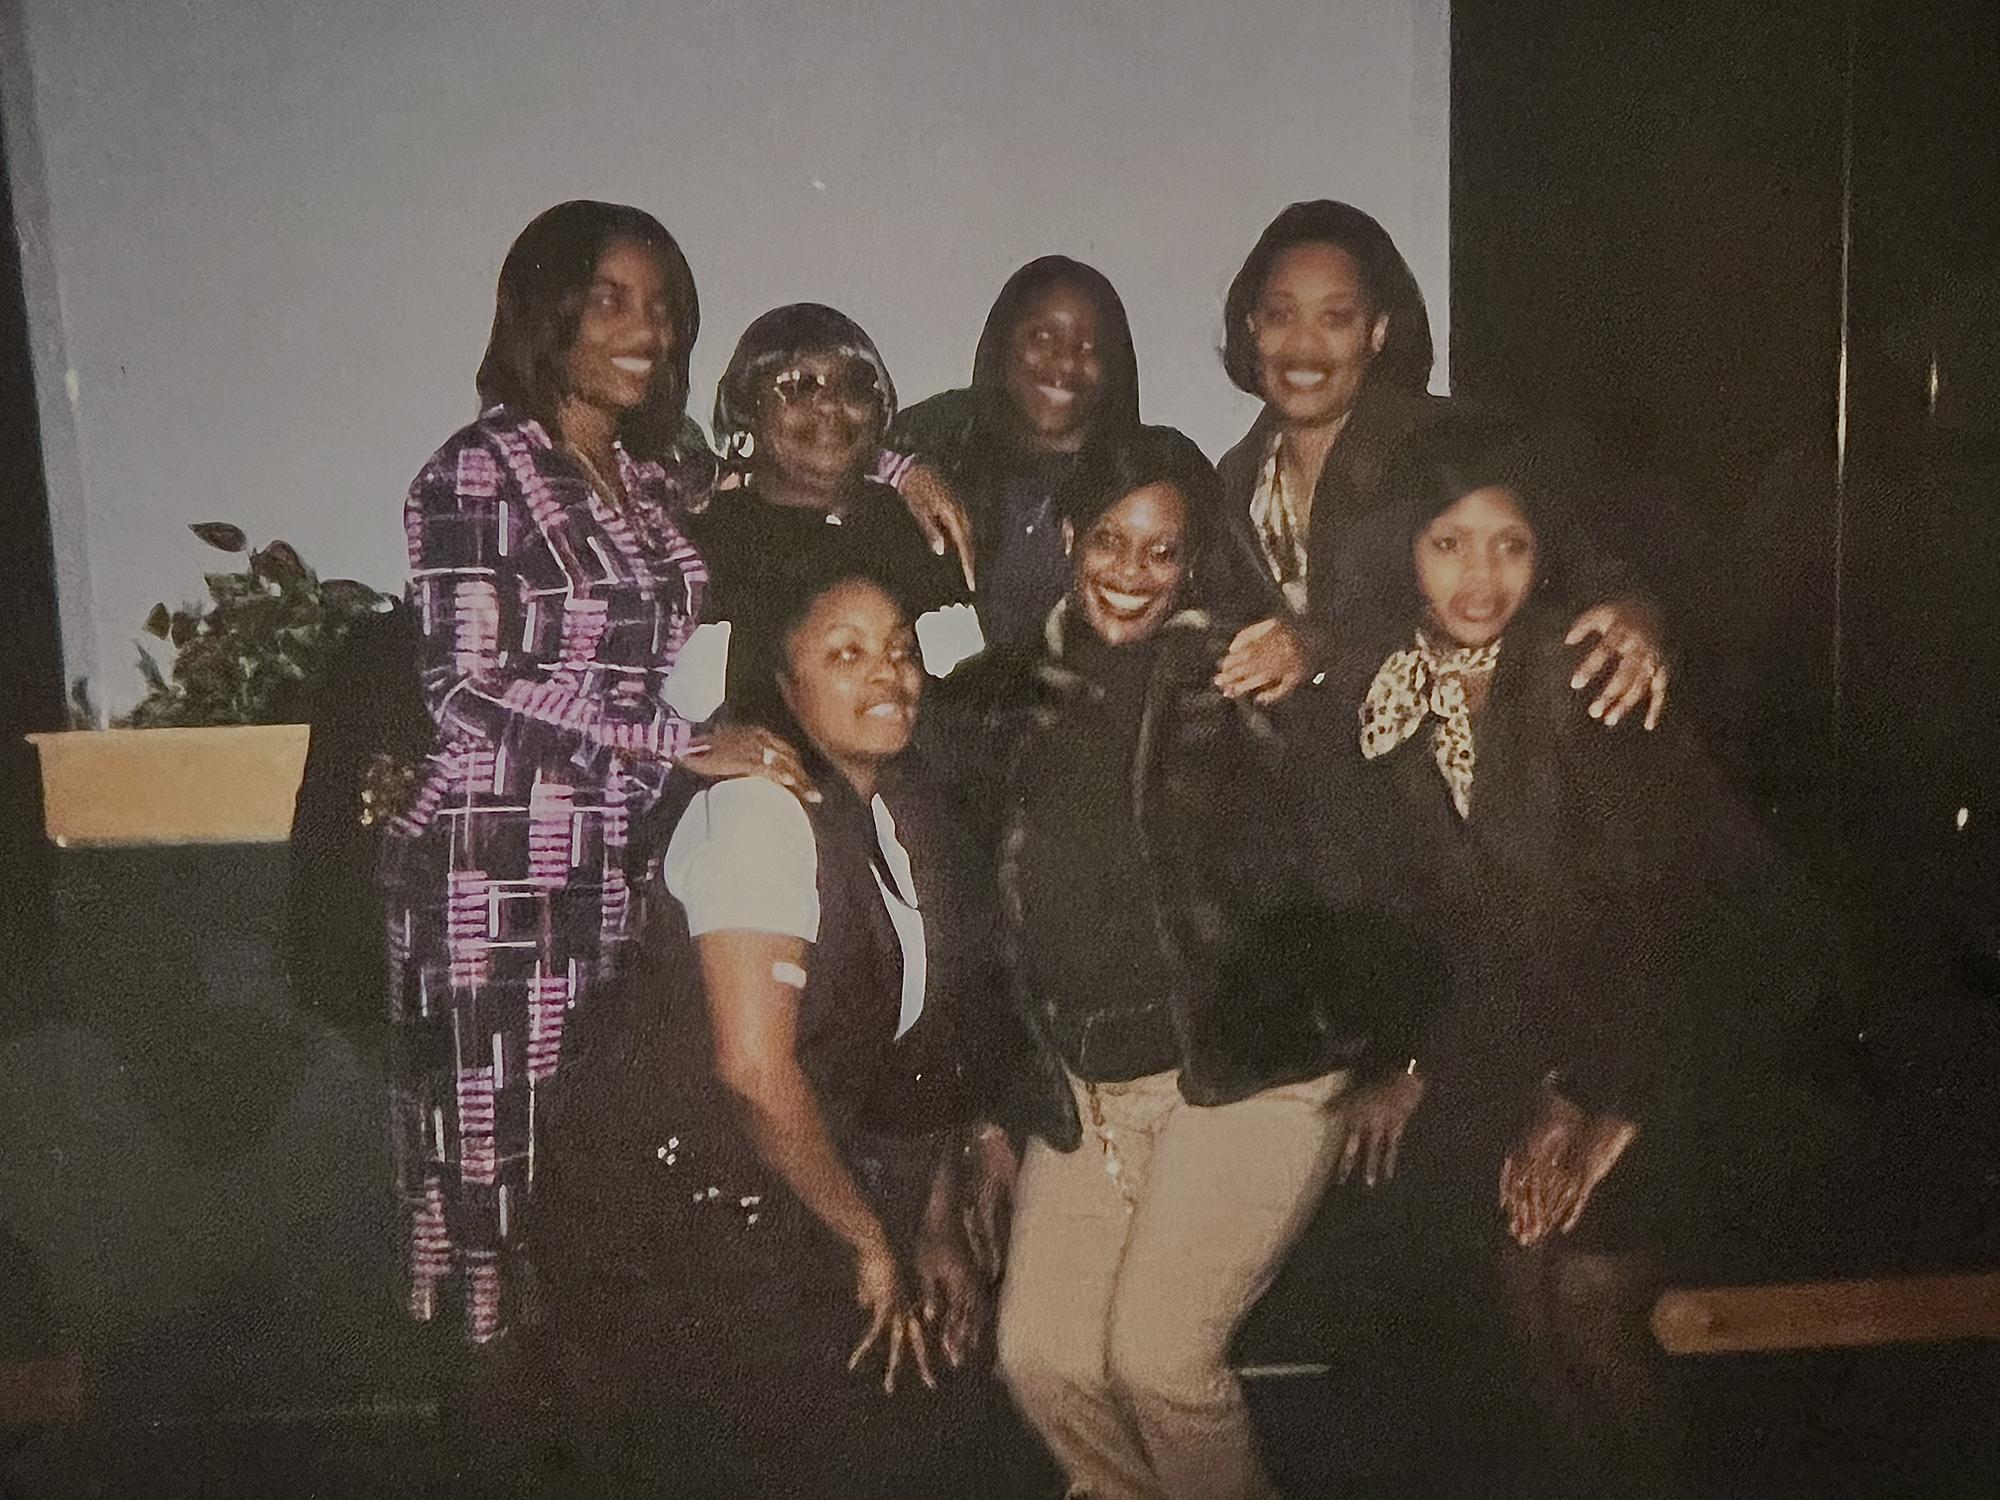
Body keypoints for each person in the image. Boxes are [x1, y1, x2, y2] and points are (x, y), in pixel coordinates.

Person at [1333, 417, 1839, 1499]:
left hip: (1696, 1035)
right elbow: (1457, 933)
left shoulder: (1581, 681)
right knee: (1520, 1286)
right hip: (1563, 1053)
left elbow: (1674, 927)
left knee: (1588, 1307)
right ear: (1402, 555)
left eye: (1509, 544)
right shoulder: (1393, 701)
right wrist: (1441, 1072)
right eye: (1448, 542)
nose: (1479, 575)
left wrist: (1597, 1103)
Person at [927, 427, 1431, 1500]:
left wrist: (1394, 1053)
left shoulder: (1244, 674)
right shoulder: (998, 697)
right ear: (1068, 536)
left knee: (1158, 1362)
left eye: (1162, 550)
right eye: (1108, 539)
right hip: (1085, 1094)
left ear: (1194, 558)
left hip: (1246, 1076)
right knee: (1045, 1359)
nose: (1129, 572)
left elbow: (1379, 842)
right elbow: (965, 911)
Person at [379, 203, 810, 1399]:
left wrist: (899, 461)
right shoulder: (477, 469)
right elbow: (462, 684)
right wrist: (679, 740)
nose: (647, 328)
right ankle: (497, 1438)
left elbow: (770, 459)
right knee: (497, 1180)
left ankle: (575, 1429)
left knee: (583, 1166)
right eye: (613, 299)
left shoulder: (641, 472)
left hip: (602, 866)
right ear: (545, 313)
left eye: (662, 304)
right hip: (492, 871)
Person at [537, 558, 1003, 1497]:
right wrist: (869, 1241)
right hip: (679, 1217)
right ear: (786, 689)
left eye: (901, 651)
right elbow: (754, 1069)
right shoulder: (758, 811)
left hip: (791, 1192)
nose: (887, 674)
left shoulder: (903, 815)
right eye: (846, 653)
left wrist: (935, 1216)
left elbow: (918, 1049)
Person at [1207, 199, 1669, 723]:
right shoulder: (1232, 481)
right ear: (1252, 328)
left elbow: (1592, 568)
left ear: (1376, 332)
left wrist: (1637, 615)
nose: (1304, 345)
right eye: (1281, 315)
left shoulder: (1461, 445)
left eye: (1335, 318)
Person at [890, 256, 1207, 645]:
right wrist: (903, 473)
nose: (1065, 362)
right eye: (1042, 338)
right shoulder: (939, 435)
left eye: (1089, 346)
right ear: (1003, 341)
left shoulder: (1149, 473)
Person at [688, 303, 978, 708]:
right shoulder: (707, 542)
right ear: (746, 405)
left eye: (856, 385)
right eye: (797, 386)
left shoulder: (921, 528)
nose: (829, 404)